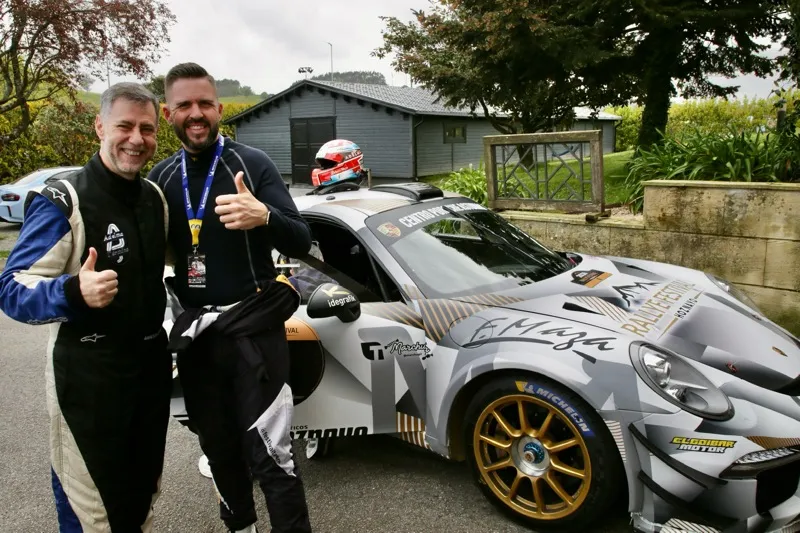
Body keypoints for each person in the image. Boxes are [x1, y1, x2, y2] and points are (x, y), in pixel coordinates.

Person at [147, 62, 313, 533]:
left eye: (204, 104)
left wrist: (265, 216)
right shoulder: (161, 178)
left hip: (255, 331)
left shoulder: (251, 164)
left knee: (272, 457)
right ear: (168, 113)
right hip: (199, 339)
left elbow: (301, 240)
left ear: (219, 109)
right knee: (220, 453)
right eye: (184, 105)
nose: (196, 114)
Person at [0, 83, 171, 532]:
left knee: (140, 496)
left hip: (149, 372)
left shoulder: (154, 198)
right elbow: (13, 289)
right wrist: (73, 292)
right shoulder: (65, 199)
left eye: (147, 129)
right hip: (89, 378)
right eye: (125, 126)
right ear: (100, 126)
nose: (137, 138)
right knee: (92, 506)